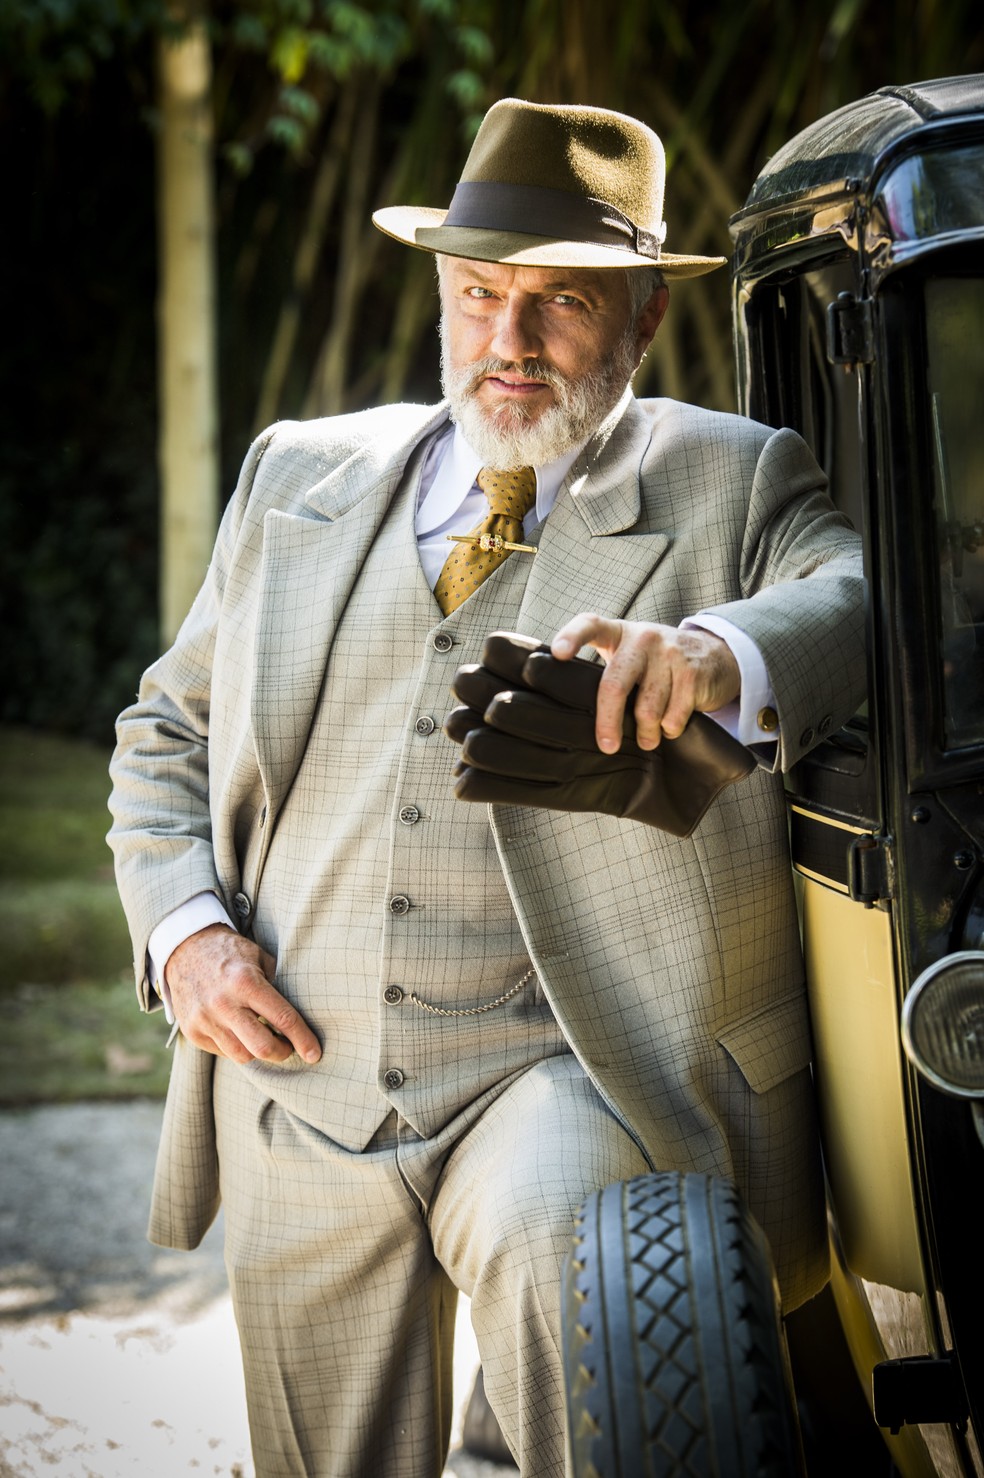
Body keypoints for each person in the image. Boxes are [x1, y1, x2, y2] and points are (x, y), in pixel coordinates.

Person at [108, 98, 865, 1478]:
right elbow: (165, 730)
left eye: (559, 303)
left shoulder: (735, 480)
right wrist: (185, 934)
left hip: (563, 1075)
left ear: (640, 320)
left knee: (627, 1390)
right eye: (478, 295)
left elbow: (853, 603)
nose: (507, 342)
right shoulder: (299, 473)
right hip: (302, 1085)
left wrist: (712, 654)